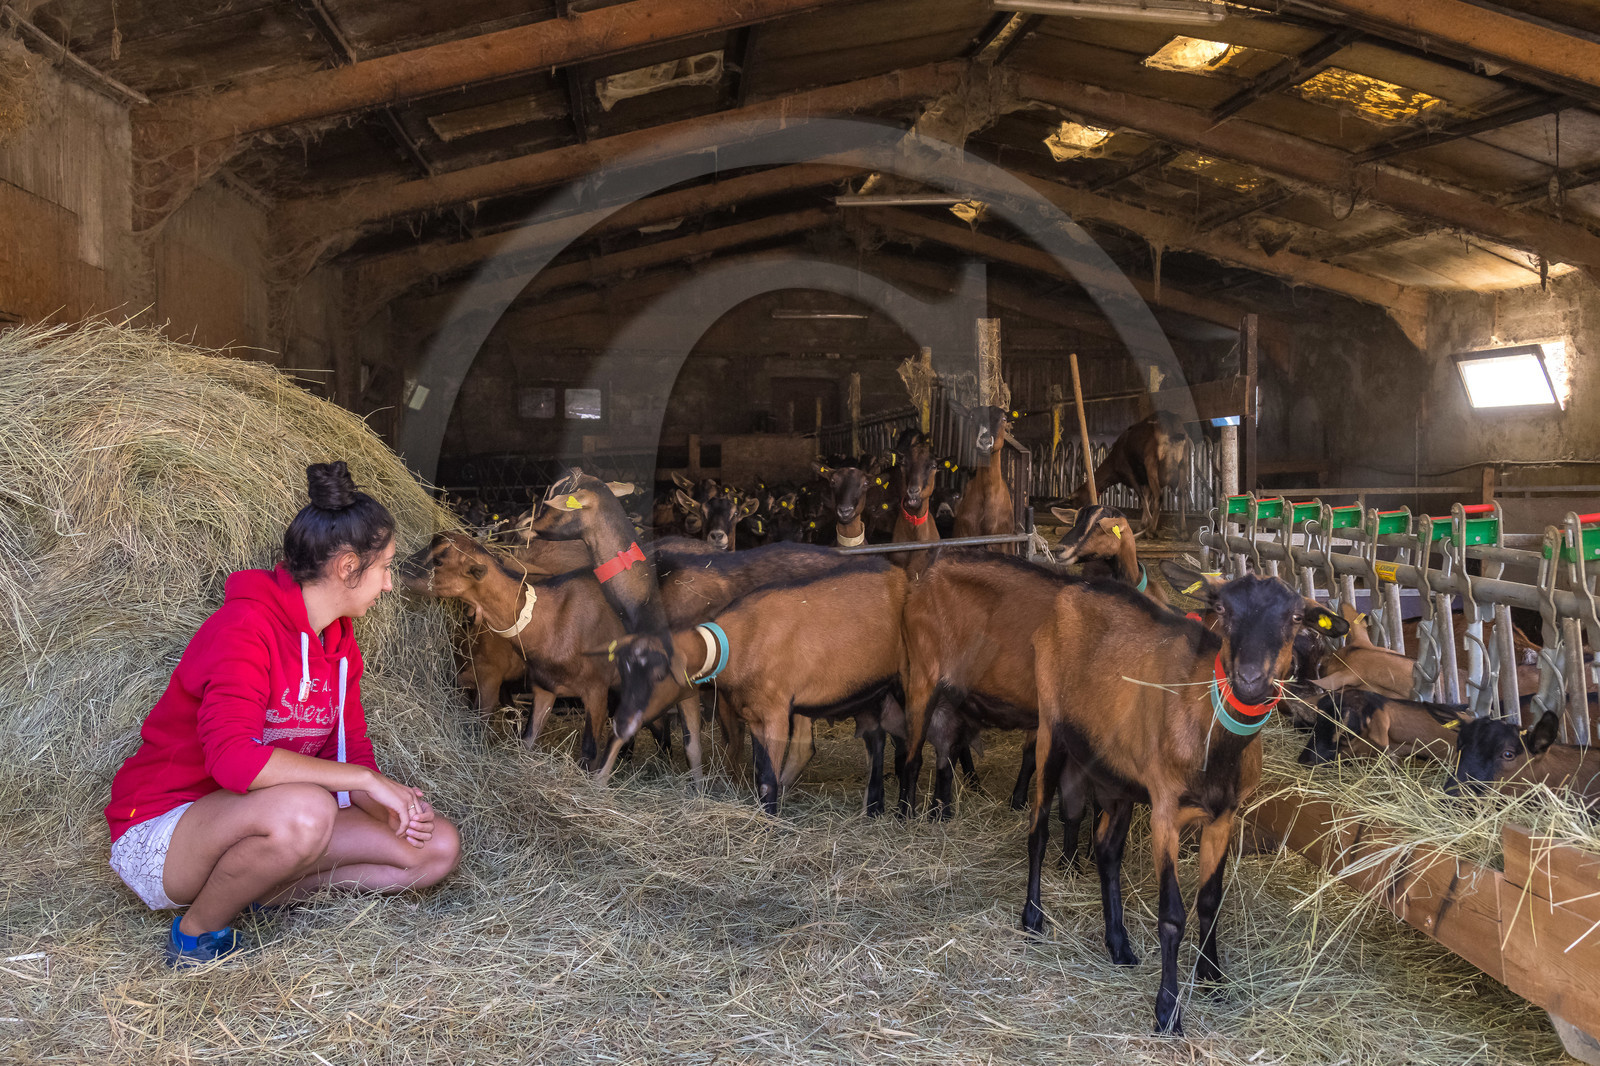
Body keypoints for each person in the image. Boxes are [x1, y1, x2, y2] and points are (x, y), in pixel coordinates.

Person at [105, 461, 460, 966]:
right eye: (384, 567)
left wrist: (388, 806)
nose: (387, 585)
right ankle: (196, 932)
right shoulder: (244, 626)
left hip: (269, 822)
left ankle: (259, 887)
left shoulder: (338, 643)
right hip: (169, 828)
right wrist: (364, 781)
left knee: (437, 848)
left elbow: (349, 748)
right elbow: (231, 761)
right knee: (307, 810)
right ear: (347, 568)